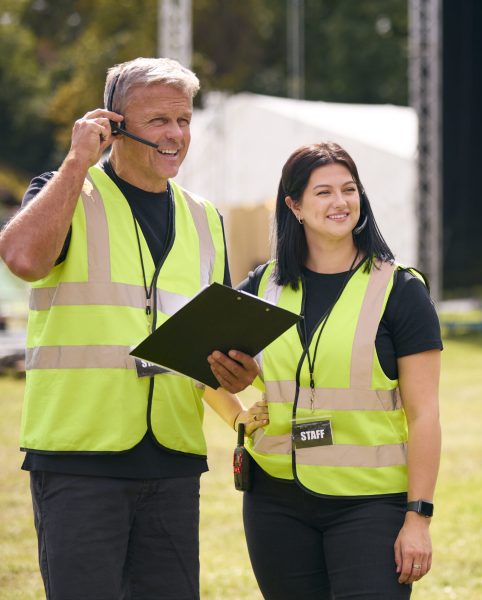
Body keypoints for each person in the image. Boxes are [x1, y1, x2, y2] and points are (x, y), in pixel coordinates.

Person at [0, 57, 264, 599]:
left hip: (172, 461)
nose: (176, 135)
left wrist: (235, 375)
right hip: (79, 457)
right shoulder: (65, 192)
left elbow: (209, 338)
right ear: (112, 124)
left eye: (184, 120)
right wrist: (78, 160)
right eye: (158, 121)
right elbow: (23, 258)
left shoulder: (204, 218)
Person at [208, 142, 443, 598]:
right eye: (324, 192)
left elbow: (425, 414)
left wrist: (418, 516)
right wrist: (235, 415)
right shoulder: (263, 286)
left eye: (349, 189)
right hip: (274, 502)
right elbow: (198, 356)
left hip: (370, 504)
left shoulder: (401, 291)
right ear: (293, 205)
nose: (341, 202)